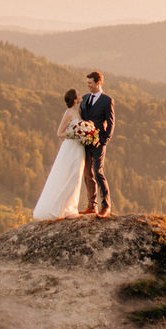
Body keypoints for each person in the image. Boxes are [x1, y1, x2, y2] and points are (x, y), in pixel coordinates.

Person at [32, 88, 85, 220]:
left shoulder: (78, 111)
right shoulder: (68, 113)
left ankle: (70, 207)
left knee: (76, 176)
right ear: (74, 99)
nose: (80, 95)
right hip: (71, 147)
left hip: (79, 147)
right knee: (70, 175)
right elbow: (59, 133)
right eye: (78, 94)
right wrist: (74, 134)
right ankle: (66, 209)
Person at [79, 70, 114, 217]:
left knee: (98, 172)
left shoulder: (107, 100)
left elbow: (111, 122)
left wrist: (104, 139)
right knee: (87, 172)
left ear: (98, 83)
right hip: (86, 141)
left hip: (99, 142)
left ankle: (105, 205)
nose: (88, 86)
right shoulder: (85, 98)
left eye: (90, 83)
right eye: (87, 83)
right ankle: (92, 205)